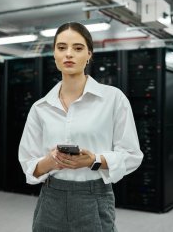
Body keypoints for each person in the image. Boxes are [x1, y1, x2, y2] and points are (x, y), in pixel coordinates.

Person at [18, 22, 143, 232]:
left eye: (77, 48)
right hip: (50, 200)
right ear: (54, 55)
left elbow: (132, 155)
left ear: (89, 55)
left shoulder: (113, 99)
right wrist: (51, 162)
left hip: (94, 199)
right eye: (61, 48)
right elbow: (28, 164)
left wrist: (93, 160)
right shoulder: (40, 108)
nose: (69, 54)